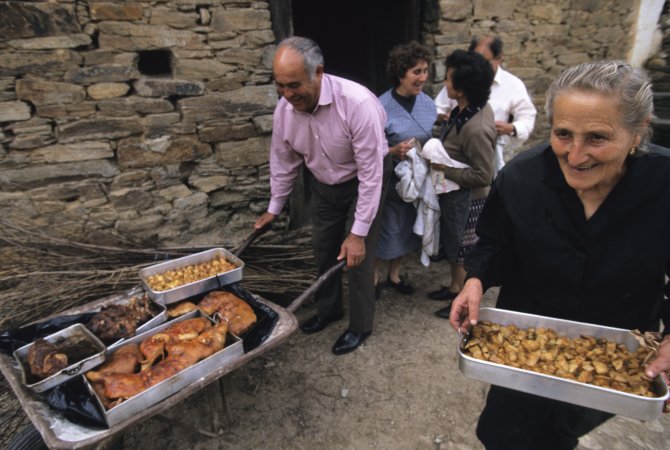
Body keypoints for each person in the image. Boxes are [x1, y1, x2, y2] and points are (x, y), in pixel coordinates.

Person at [449, 60, 670, 450]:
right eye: (563, 134)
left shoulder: (663, 185)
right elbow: (494, 242)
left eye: (597, 138)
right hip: (528, 335)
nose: (576, 154)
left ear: (638, 132)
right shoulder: (522, 179)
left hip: (617, 342)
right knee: (504, 434)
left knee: (564, 429)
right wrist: (475, 280)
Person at [254, 36, 391, 356]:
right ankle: (330, 311)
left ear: (318, 72)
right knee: (323, 248)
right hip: (325, 183)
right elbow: (283, 161)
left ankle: (360, 325)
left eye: (294, 85)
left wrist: (357, 234)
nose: (287, 95)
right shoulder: (284, 111)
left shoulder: (357, 104)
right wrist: (274, 207)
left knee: (357, 257)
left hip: (364, 180)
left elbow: (372, 174)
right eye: (280, 86)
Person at [425, 50, 496, 317]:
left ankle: (463, 300)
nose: (444, 83)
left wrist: (444, 169)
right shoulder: (464, 109)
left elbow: (483, 176)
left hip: (467, 198)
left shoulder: (477, 128)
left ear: (463, 89)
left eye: (448, 78)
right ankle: (455, 286)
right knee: (455, 244)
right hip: (453, 194)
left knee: (464, 249)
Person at [375, 41, 437, 298]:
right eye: (416, 72)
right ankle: (375, 278)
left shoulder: (429, 104)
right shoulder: (380, 105)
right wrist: (391, 152)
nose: (422, 77)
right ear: (401, 73)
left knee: (404, 226)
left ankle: (395, 275)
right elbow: (369, 148)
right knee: (384, 227)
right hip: (389, 179)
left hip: (416, 181)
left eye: (425, 71)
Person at [434, 35, 537, 172]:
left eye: (485, 62)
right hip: (455, 154)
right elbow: (437, 108)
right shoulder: (460, 79)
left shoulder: (513, 85)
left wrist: (511, 128)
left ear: (499, 58)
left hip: (492, 155)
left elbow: (527, 117)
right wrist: (444, 117)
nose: (479, 67)